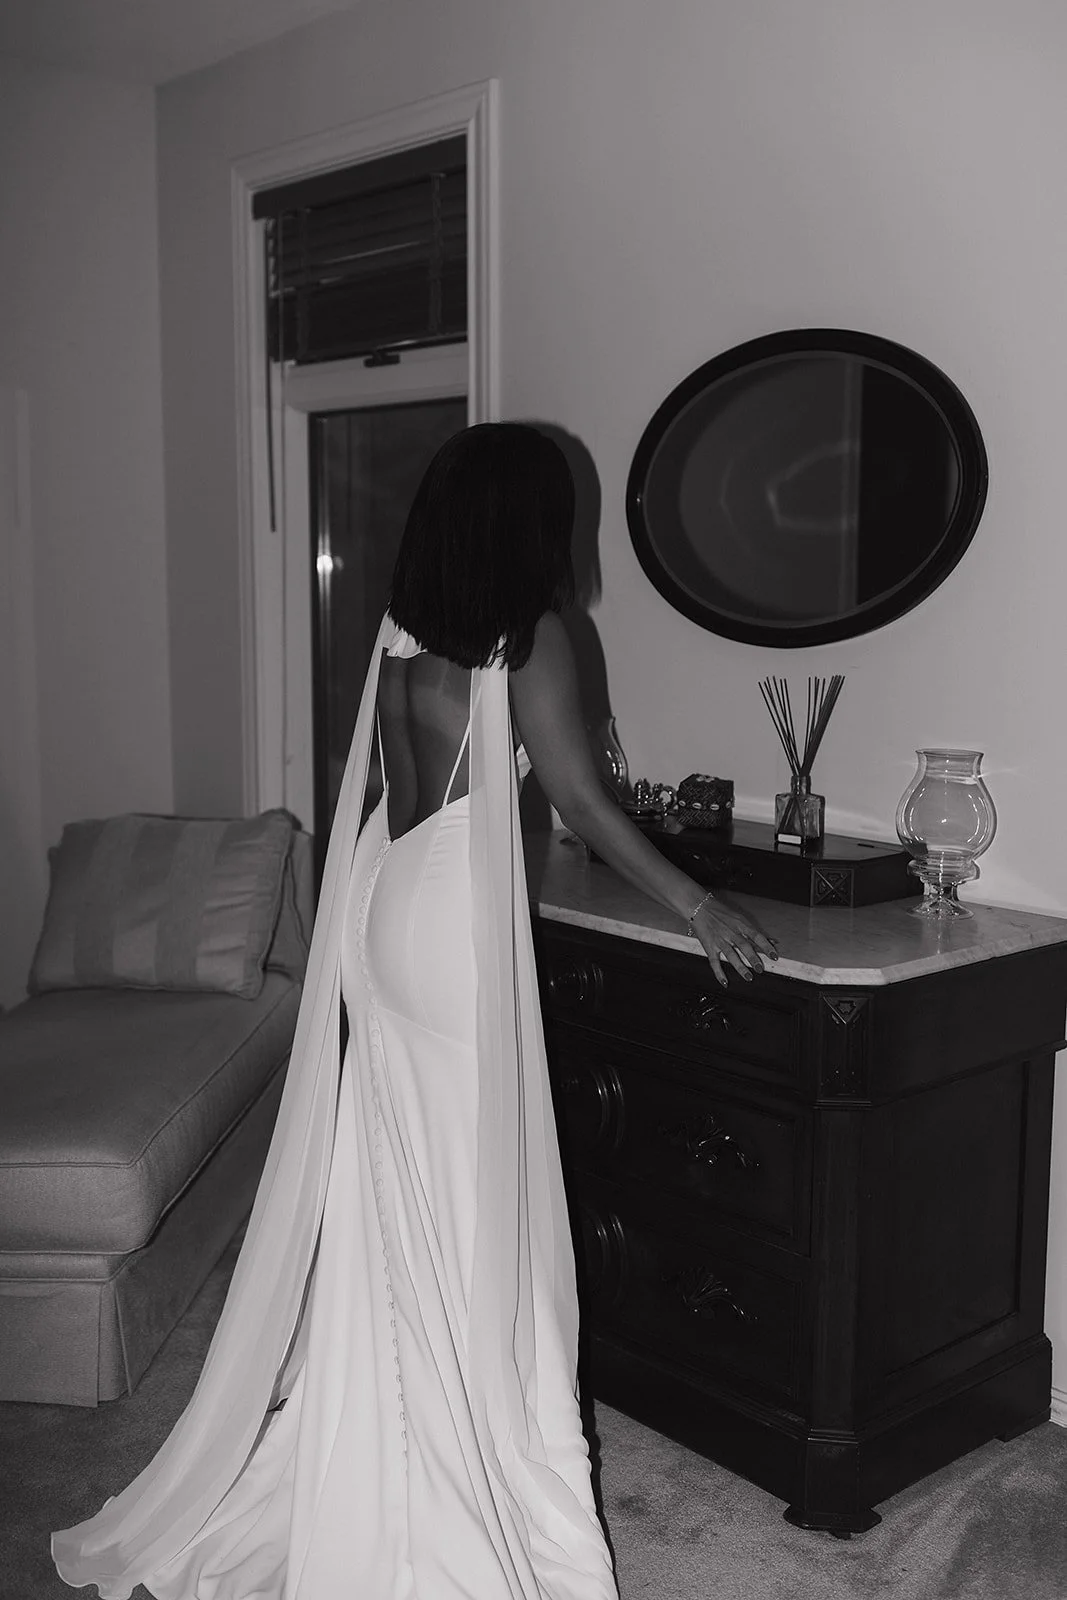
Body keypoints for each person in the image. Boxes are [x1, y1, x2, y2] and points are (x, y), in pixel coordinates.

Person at [52, 423, 776, 1599]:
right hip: (445, 927)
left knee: (398, 1178)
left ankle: (391, 1422)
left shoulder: (401, 635)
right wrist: (698, 904)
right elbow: (583, 803)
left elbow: (406, 789)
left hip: (381, 907)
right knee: (481, 1193)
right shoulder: (529, 636)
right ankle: (469, 1448)